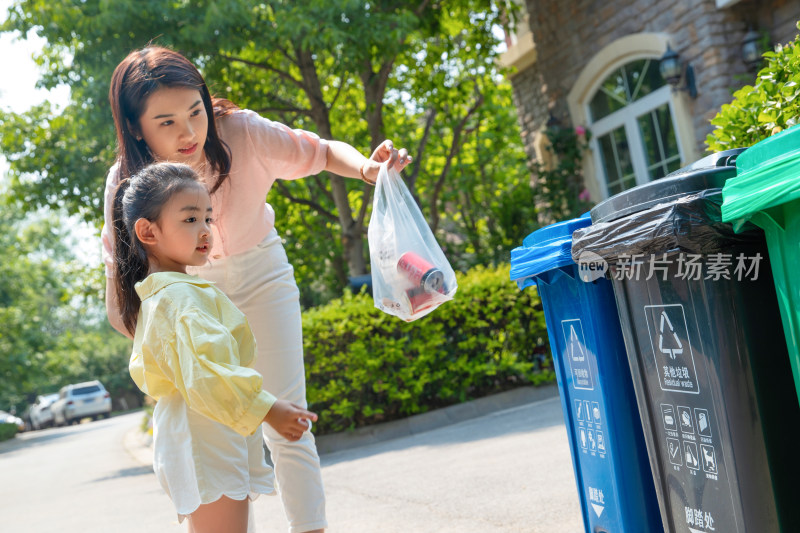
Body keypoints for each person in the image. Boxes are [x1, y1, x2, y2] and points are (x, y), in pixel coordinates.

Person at [102, 46, 411, 533]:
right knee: (217, 431)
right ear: (137, 126)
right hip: (189, 293)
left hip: (262, 273)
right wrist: (164, 354)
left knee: (290, 421)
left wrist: (369, 170)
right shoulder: (126, 184)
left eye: (195, 112)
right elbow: (122, 284)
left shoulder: (241, 131)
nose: (188, 133)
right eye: (166, 122)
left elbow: (322, 151)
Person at [112, 161, 318, 532]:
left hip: (200, 433)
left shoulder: (170, 294)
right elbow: (206, 373)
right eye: (190, 220)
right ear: (148, 231)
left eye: (207, 218)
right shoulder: (178, 297)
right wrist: (268, 409)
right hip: (203, 437)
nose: (205, 230)